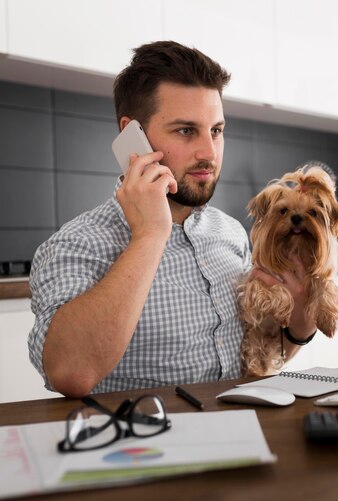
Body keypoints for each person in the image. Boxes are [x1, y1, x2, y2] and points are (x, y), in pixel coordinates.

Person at [27, 41, 316, 398]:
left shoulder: (231, 233)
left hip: (242, 433)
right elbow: (70, 374)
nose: (209, 153)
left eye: (216, 130)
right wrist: (150, 235)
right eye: (185, 130)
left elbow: (262, 357)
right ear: (132, 136)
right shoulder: (79, 243)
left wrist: (303, 317)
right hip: (140, 445)